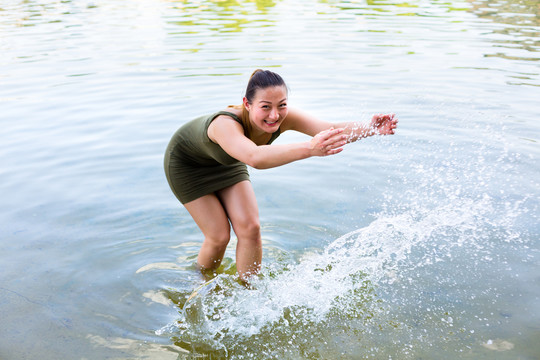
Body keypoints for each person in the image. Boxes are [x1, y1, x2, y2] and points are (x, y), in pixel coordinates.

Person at [164, 69, 398, 282]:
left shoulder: (283, 116)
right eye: (265, 107)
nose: (274, 115)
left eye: (282, 105)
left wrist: (371, 128)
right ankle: (198, 283)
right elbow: (254, 157)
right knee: (218, 236)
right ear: (247, 103)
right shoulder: (224, 124)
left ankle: (248, 290)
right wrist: (310, 149)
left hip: (229, 161)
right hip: (188, 165)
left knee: (250, 228)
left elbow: (329, 128)